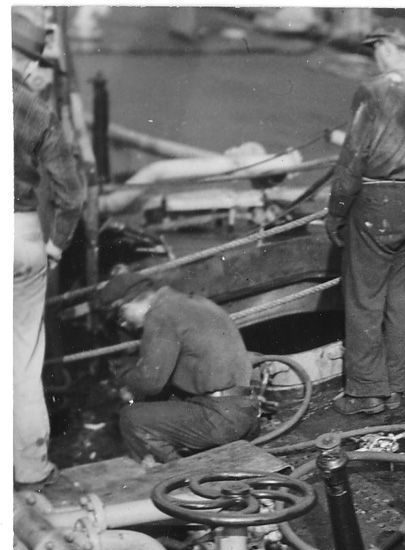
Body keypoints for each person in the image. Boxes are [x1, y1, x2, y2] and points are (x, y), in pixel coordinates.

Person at [326, 17, 405, 415]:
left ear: (387, 46)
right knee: (400, 301)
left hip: (377, 205)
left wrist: (336, 212)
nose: (374, 58)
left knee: (365, 300)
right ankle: (395, 385)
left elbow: (352, 160)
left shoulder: (375, 91)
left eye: (375, 50)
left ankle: (366, 392)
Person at [13, 11, 85, 489]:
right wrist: (57, 246)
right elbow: (72, 194)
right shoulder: (36, 109)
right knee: (22, 359)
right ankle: (30, 468)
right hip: (22, 236)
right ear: (31, 61)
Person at [96, 272, 258, 464]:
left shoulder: (160, 314)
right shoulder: (191, 302)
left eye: (120, 316)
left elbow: (149, 382)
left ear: (129, 304)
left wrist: (123, 375)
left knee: (131, 418)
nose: (124, 324)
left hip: (222, 419)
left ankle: (176, 479)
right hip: (245, 410)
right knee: (158, 401)